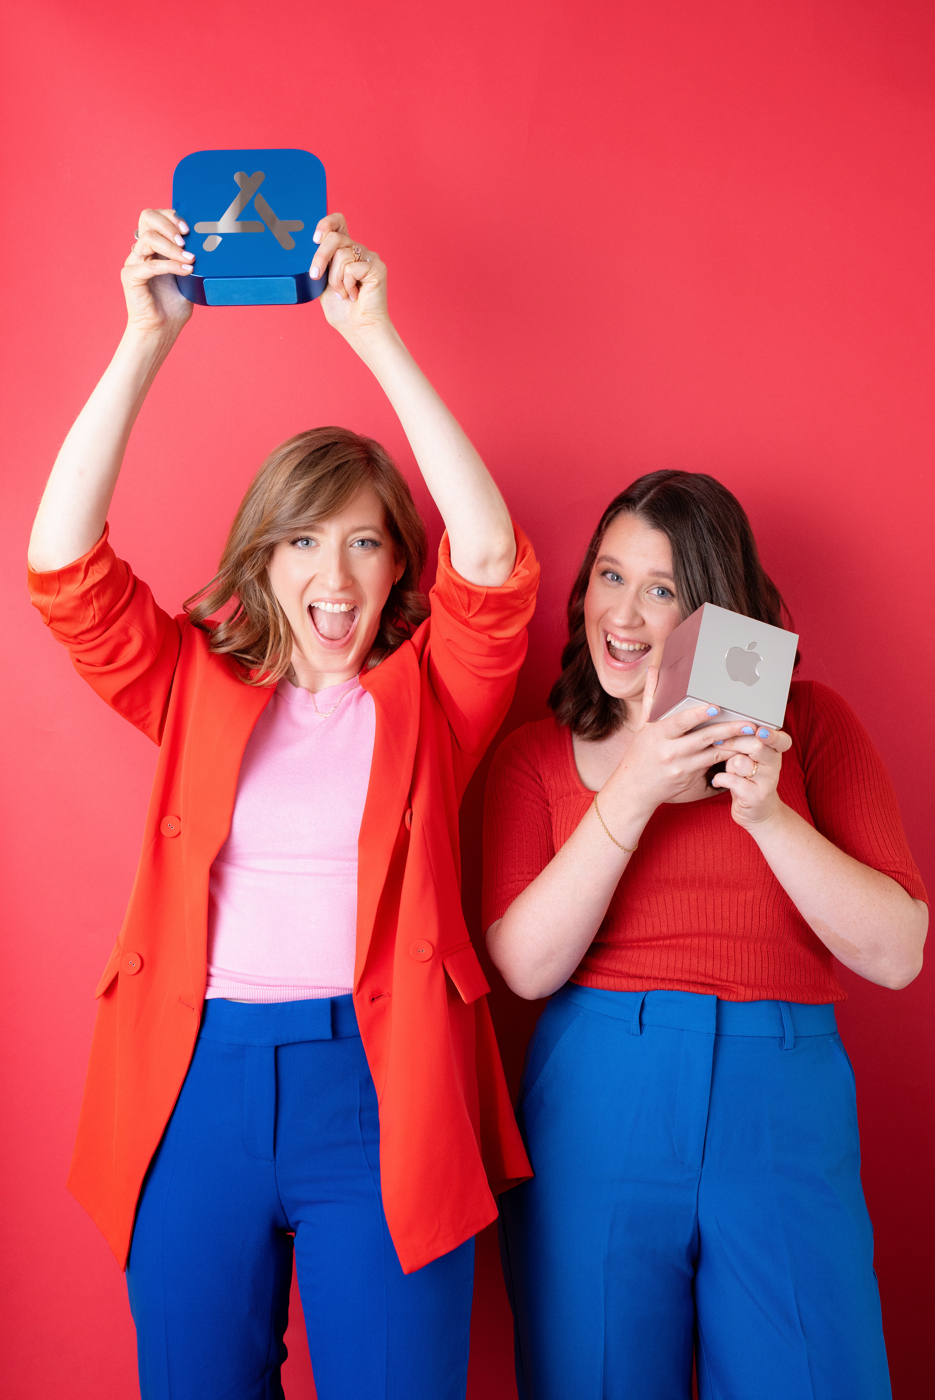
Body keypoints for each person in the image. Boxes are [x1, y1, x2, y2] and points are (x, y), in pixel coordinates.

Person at [28, 205, 538, 1400]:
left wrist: (375, 337)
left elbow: (492, 563)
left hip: (385, 1086)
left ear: (396, 567)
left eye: (366, 545)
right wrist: (143, 342)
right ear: (262, 556)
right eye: (306, 540)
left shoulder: (433, 699)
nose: (335, 575)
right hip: (193, 1080)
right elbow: (62, 566)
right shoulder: (191, 686)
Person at [482, 470, 927, 1400]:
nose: (626, 613)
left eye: (663, 589)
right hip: (600, 1099)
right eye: (609, 576)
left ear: (715, 614)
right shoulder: (532, 755)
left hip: (783, 1100)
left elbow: (896, 952)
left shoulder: (812, 725)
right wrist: (635, 786)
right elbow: (524, 966)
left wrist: (765, 814)